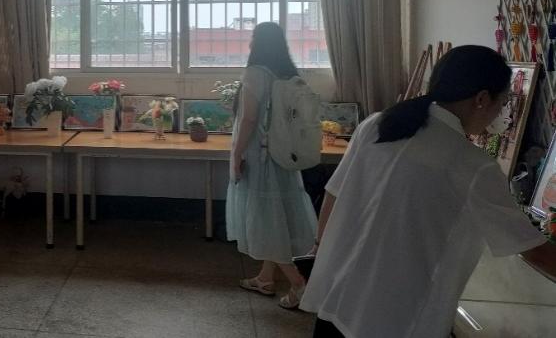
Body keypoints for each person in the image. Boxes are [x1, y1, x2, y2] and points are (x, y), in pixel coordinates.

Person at [301, 45, 556, 337]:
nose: (501, 113)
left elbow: (334, 194)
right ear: (482, 99)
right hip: (392, 318)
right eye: (503, 102)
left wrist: (319, 250)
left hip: (339, 296)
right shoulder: (473, 166)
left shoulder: (377, 125)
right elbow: (532, 248)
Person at [226, 22, 318, 309]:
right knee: (275, 215)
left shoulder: (255, 73)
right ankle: (265, 278)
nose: (249, 43)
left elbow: (249, 118)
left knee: (265, 220)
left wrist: (237, 154)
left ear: (258, 43)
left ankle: (299, 284)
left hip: (260, 155)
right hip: (282, 154)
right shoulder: (287, 73)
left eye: (252, 38)